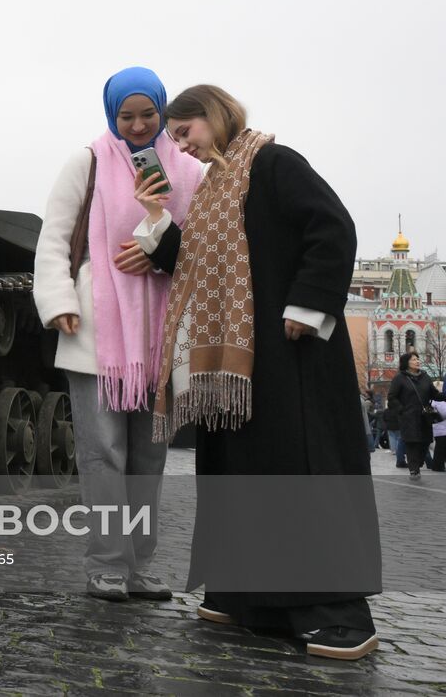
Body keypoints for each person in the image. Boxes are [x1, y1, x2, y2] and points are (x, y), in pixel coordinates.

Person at [135, 84, 379, 661]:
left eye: (183, 132)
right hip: (236, 366)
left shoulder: (273, 163)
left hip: (289, 352)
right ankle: (249, 597)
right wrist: (155, 218)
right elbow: (191, 262)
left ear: (212, 117)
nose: (181, 146)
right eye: (173, 138)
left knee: (298, 472)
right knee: (242, 476)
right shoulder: (215, 187)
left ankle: (337, 612)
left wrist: (307, 305)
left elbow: (333, 227)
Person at [33, 66, 203, 602]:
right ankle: (107, 563)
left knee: (150, 458)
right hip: (97, 331)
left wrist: (157, 255)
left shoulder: (190, 172)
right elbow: (55, 238)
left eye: (148, 115)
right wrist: (58, 301)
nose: (136, 125)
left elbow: (198, 250)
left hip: (161, 326)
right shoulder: (86, 161)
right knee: (104, 453)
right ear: (111, 114)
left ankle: (140, 565)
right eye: (126, 116)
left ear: (162, 110)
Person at [389, 353, 436, 480]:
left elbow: (434, 394)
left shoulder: (425, 377)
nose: (417, 361)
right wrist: (402, 410)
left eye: (417, 359)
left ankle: (418, 463)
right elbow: (392, 397)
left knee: (425, 442)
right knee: (412, 443)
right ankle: (414, 470)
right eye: (414, 359)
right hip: (409, 417)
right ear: (406, 363)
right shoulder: (400, 378)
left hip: (424, 417)